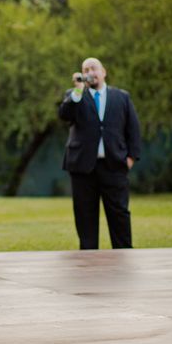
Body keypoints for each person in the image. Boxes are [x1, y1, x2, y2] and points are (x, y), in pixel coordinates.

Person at [58, 57, 141, 250]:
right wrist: (78, 90)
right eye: (85, 69)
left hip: (114, 165)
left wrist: (131, 158)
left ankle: (124, 254)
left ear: (104, 72)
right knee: (85, 215)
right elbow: (64, 115)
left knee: (119, 214)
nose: (90, 72)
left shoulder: (121, 97)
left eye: (93, 68)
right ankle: (88, 258)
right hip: (82, 167)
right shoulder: (75, 96)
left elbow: (133, 130)